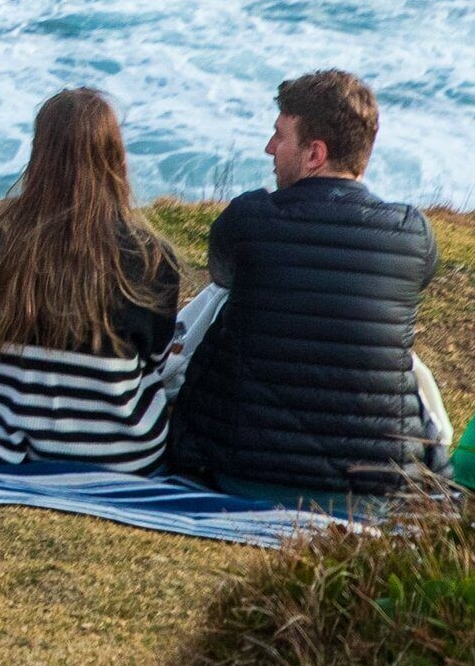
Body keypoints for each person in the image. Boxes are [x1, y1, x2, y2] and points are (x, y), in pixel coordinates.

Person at [161, 69, 443, 508]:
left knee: (223, 303)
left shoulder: (249, 219)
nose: (269, 149)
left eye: (279, 136)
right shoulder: (411, 235)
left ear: (314, 153)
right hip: (372, 490)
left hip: (236, 473)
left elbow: (221, 275)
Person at [0, 88, 189, 469]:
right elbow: (154, 359)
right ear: (114, 155)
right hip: (120, 453)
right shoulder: (150, 253)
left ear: (39, 152)